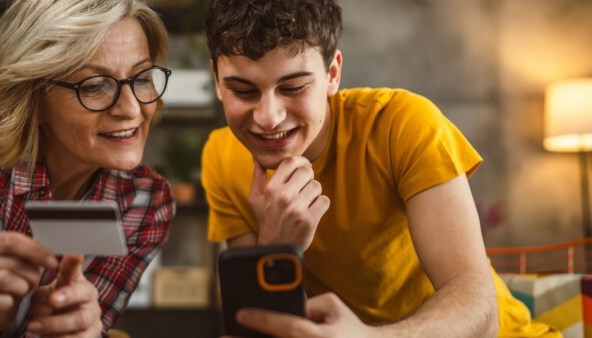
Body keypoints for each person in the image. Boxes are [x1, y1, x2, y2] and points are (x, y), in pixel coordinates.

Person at [201, 0, 561, 337]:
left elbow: (481, 309)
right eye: (243, 91)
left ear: (332, 74)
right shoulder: (221, 156)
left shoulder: (403, 125)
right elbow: (255, 323)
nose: (268, 118)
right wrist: (276, 246)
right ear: (217, 81)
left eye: (294, 87)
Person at [0, 1, 173, 337]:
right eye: (94, 86)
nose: (132, 109)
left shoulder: (145, 200)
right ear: (32, 98)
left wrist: (79, 327)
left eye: (142, 78)